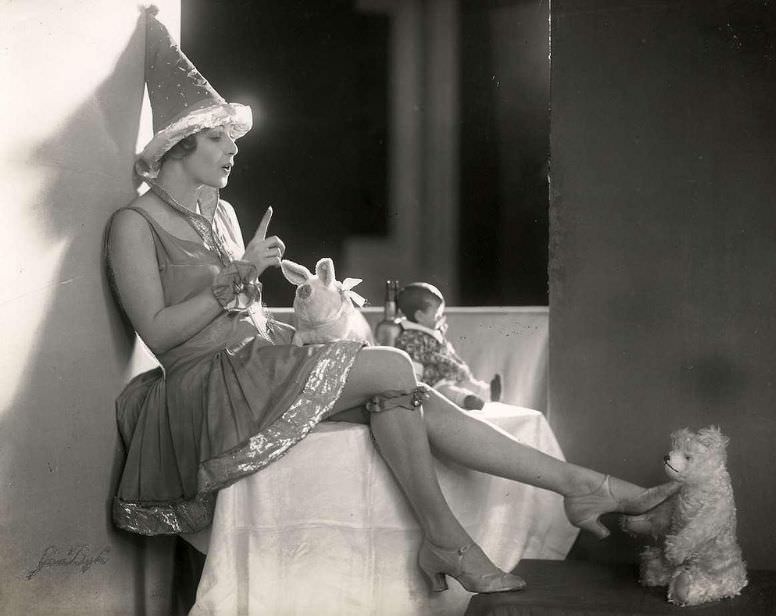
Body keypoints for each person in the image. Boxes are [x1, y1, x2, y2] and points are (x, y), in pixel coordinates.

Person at [108, 10, 677, 597]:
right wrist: (236, 277)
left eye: (231, 137)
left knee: (403, 394)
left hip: (253, 367)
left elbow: (242, 312)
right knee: (394, 368)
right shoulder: (134, 224)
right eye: (219, 136)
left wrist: (275, 298)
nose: (233, 149)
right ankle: (474, 532)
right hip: (202, 389)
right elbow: (158, 332)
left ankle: (570, 488)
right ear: (178, 143)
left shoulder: (219, 212)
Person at [395, 282, 500, 410]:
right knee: (447, 392)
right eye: (437, 316)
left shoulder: (432, 332)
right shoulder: (412, 338)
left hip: (448, 373)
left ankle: (487, 393)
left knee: (467, 382)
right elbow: (415, 366)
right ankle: (467, 400)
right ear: (420, 316)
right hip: (432, 382)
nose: (441, 319)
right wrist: (416, 385)